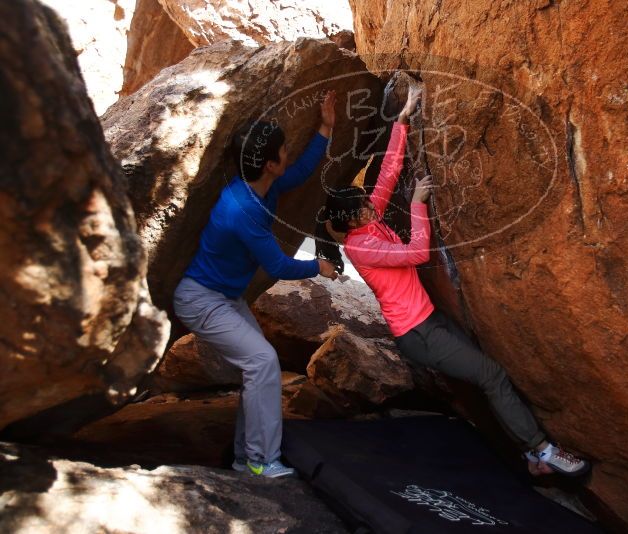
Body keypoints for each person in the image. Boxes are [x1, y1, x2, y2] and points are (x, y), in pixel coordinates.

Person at [317, 87, 589, 476]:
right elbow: (416, 254)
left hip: (427, 320)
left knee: (487, 375)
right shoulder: (361, 247)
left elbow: (390, 172)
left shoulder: (367, 216)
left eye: (364, 203)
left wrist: (403, 120)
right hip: (418, 332)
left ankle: (532, 459)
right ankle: (542, 452)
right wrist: (416, 206)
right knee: (491, 375)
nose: (369, 208)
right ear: (350, 223)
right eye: (361, 210)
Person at [173, 92, 339, 478]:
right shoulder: (243, 209)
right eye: (283, 151)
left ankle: (246, 457)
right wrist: (320, 266)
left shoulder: (261, 189)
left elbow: (299, 173)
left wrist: (325, 128)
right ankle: (261, 462)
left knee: (259, 366)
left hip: (225, 298)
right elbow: (278, 266)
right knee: (262, 362)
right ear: (269, 164)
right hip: (202, 299)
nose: (287, 155)